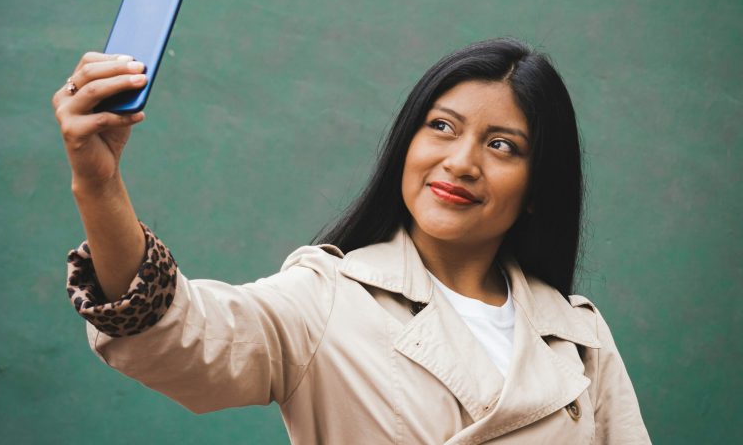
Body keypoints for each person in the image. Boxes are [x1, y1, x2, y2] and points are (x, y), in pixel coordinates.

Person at [54, 38, 650, 444]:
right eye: (441, 127)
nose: (461, 161)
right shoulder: (328, 296)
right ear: (406, 145)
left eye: (502, 146)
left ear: (538, 184)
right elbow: (181, 333)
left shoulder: (577, 336)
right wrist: (98, 184)